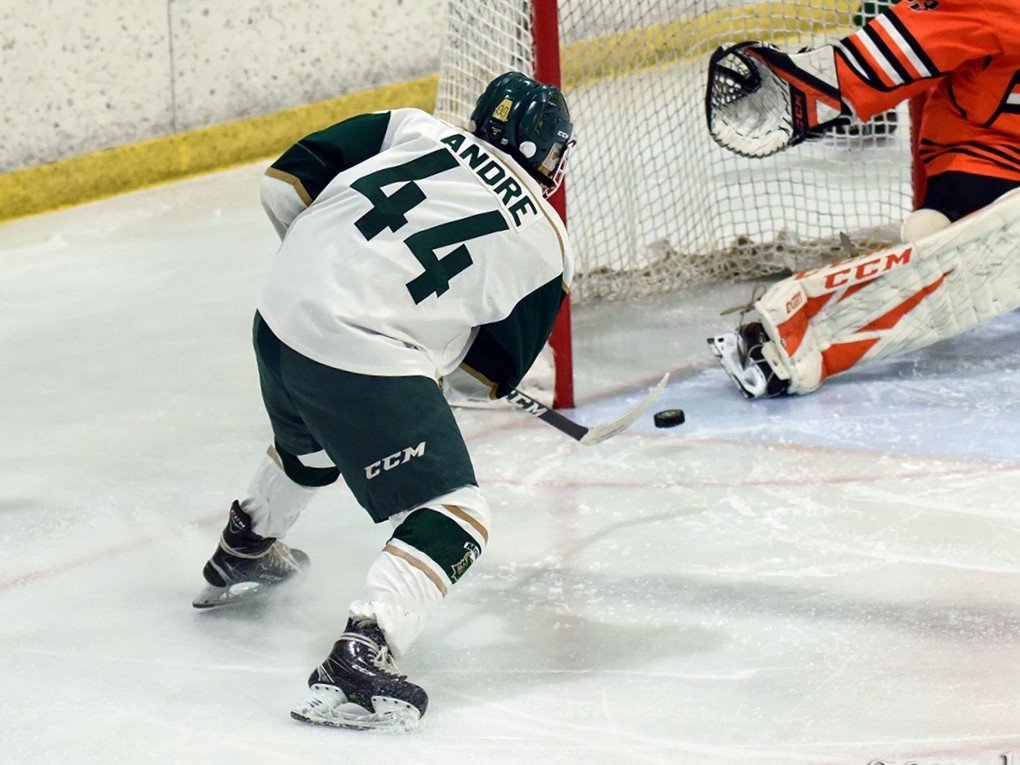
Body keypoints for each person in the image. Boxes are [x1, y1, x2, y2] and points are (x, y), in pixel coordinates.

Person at [192, 71, 575, 730]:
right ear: (546, 153)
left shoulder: (411, 126)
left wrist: (330, 271)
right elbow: (483, 378)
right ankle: (363, 653)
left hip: (279, 312)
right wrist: (420, 343)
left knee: (312, 444)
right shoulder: (548, 242)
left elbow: (282, 185)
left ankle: (246, 544)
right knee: (457, 512)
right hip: (355, 348)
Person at [704, 0, 1020, 398]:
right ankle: (795, 336)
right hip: (985, 157)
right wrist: (815, 87)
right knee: (942, 239)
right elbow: (911, 43)